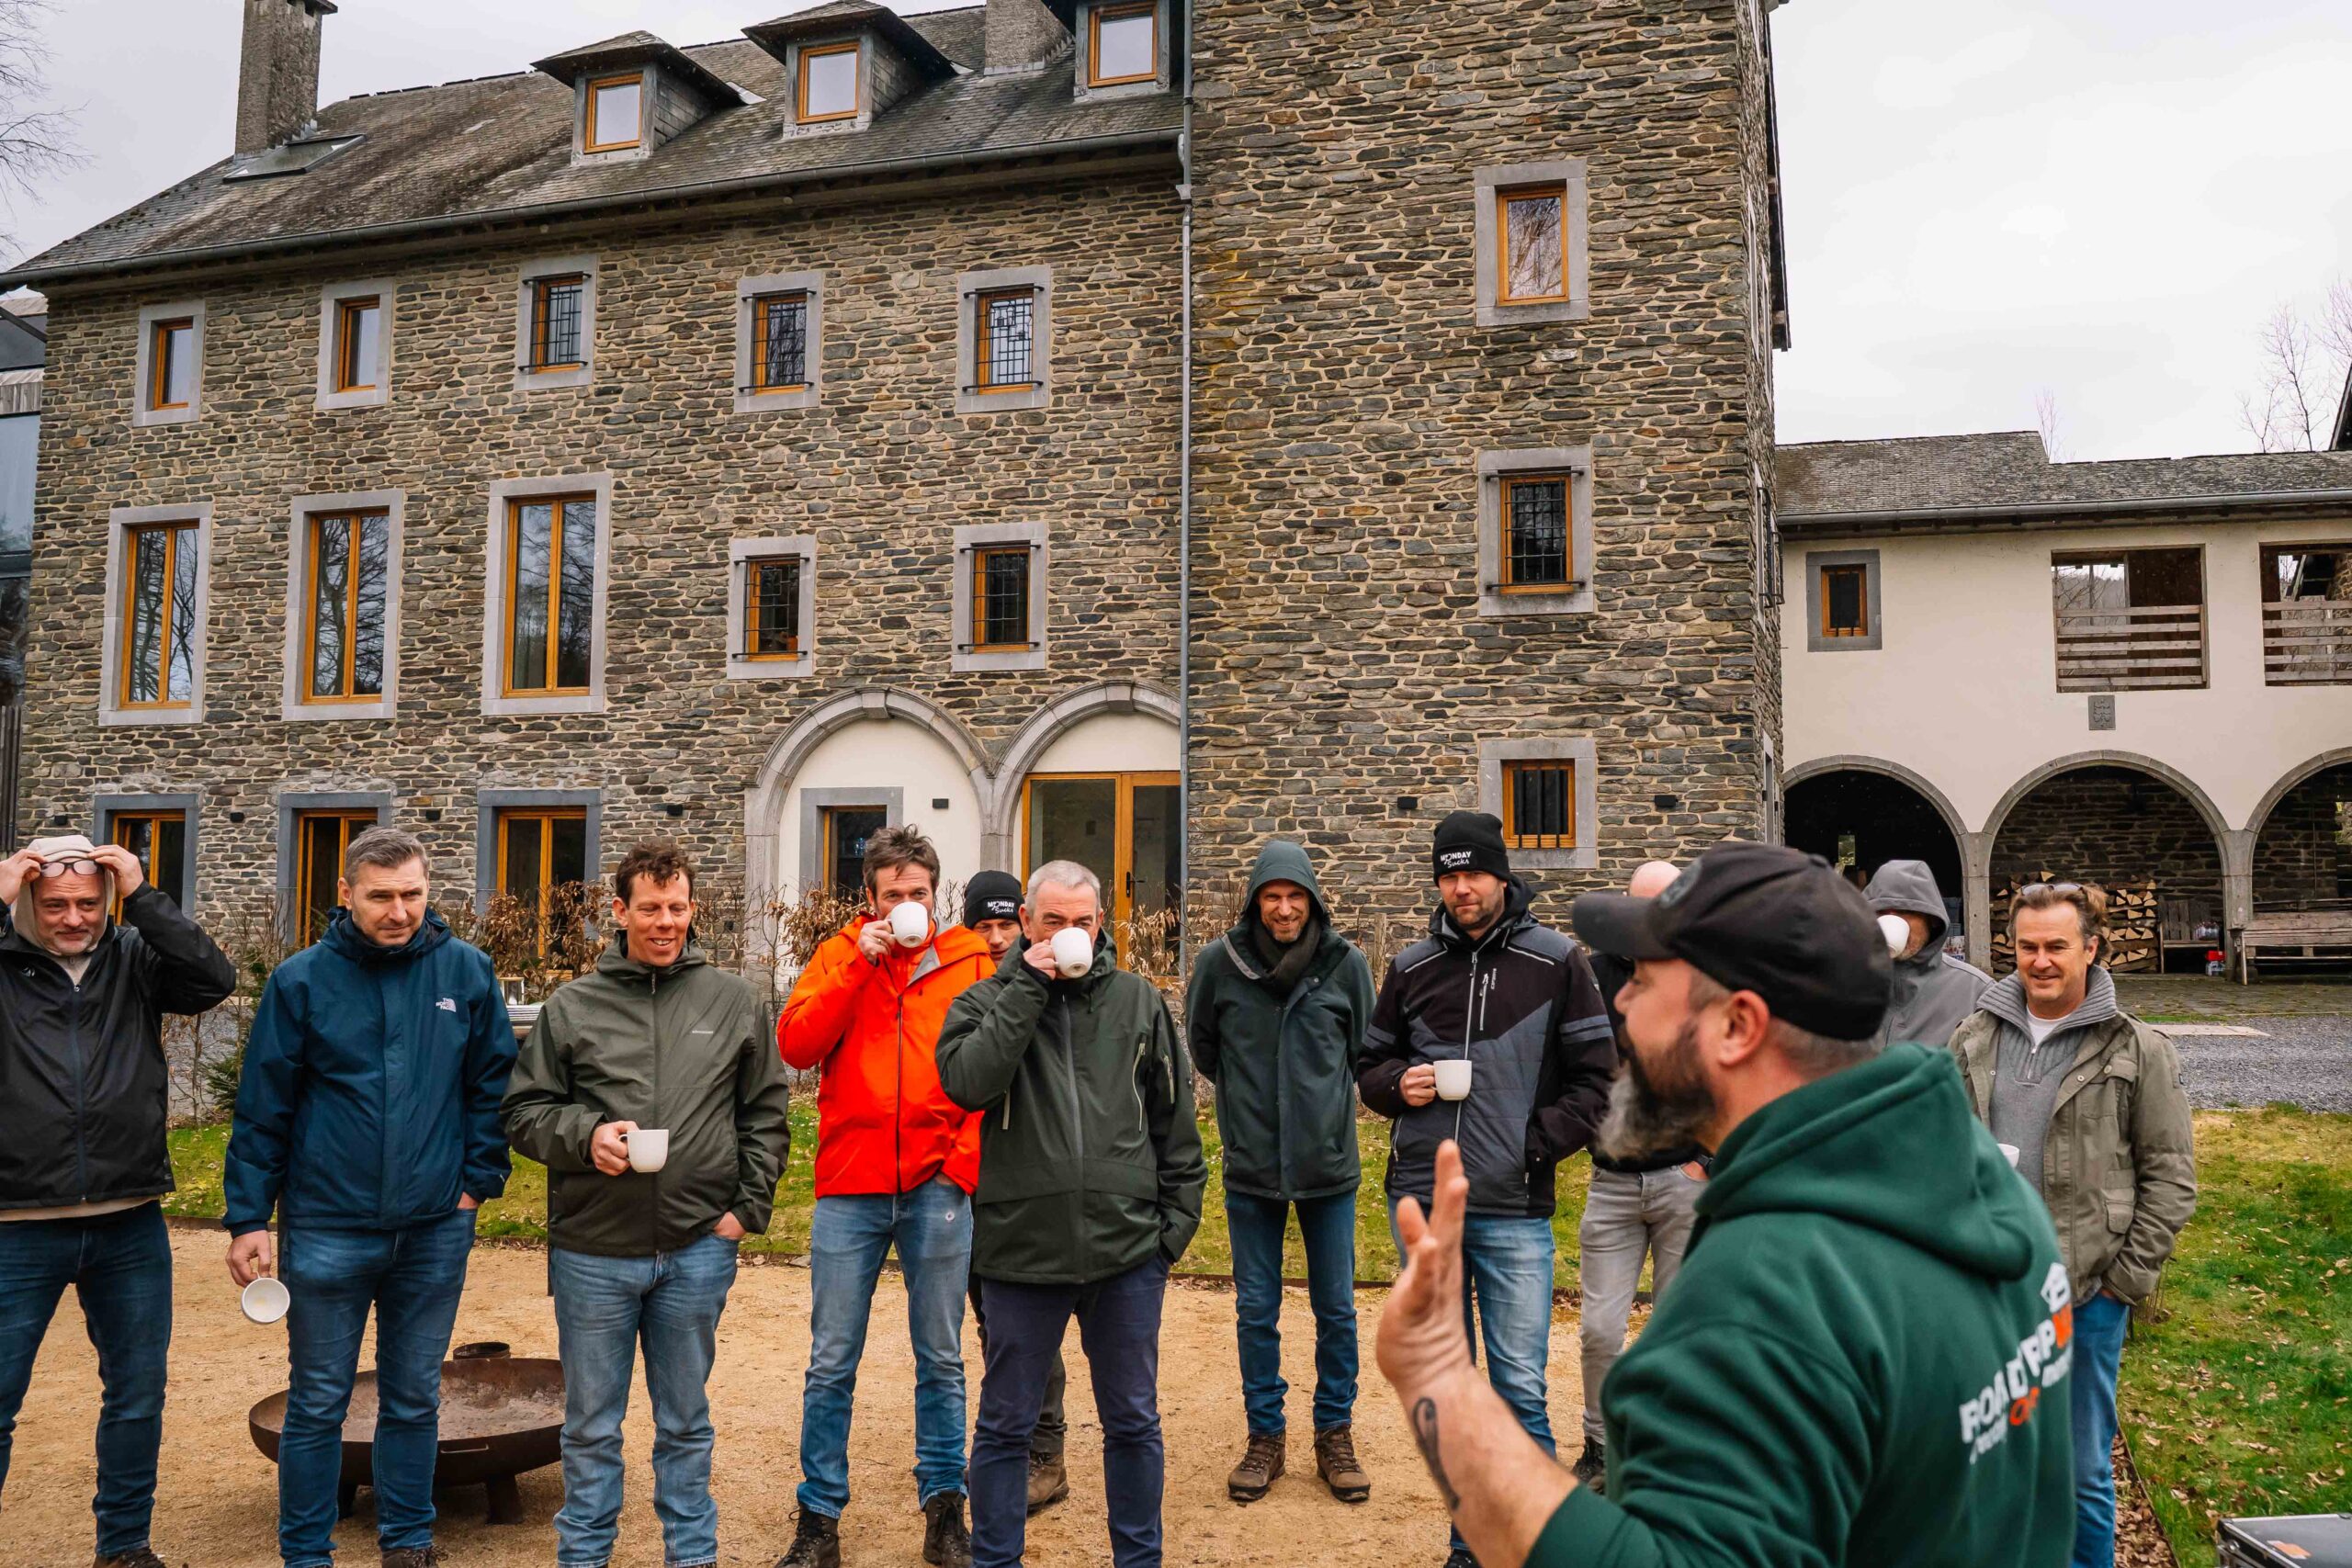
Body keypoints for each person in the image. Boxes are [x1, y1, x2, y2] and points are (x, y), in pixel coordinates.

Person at [1372, 841, 2080, 1568]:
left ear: (1737, 1025)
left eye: (1644, 979)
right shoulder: (1980, 1181)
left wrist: (1439, 1378)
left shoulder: (1766, 1300)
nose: (1621, 1003)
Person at [222, 827, 515, 1568]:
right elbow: (263, 1106)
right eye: (381, 895)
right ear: (346, 893)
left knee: (414, 1394)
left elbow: (492, 1086)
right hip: (327, 1225)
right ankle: (305, 1552)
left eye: (412, 893)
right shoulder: (300, 981)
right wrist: (249, 1214)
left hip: (435, 1225)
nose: (399, 910)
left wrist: (476, 1184)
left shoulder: (466, 971)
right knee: (319, 1399)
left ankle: (408, 1542)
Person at [503, 841, 793, 1568]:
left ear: (693, 910)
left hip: (697, 1247)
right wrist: (585, 1136)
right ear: (620, 910)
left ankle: (691, 1556)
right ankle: (584, 1557)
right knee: (591, 1427)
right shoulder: (573, 1005)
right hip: (593, 1251)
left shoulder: (733, 1001)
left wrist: (743, 1213)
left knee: (686, 1422)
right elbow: (524, 1111)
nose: (665, 921)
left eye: (677, 907)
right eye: (651, 907)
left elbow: (765, 1112)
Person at [1354, 811, 1615, 1568]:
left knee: (1520, 1392)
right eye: (1449, 874)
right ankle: (1469, 1549)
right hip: (1425, 1206)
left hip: (1513, 1209)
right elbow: (1369, 1067)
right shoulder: (1410, 966)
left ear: (1502, 875)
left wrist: (1532, 1147)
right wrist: (1396, 1084)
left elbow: (1598, 1080)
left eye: (1473, 872)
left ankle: (1537, 1548)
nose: (1461, 887)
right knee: (1447, 1391)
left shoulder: (1557, 961)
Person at [937, 861, 1206, 1568]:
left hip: (1128, 1254)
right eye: (1052, 921)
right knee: (1005, 1425)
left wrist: (1169, 1237)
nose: (1067, 934)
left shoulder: (1137, 1001)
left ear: (1100, 924)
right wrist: (1027, 985)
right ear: (1026, 923)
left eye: (1081, 921)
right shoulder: (981, 1001)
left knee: (1134, 1422)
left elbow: (1176, 1125)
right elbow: (968, 1082)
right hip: (1021, 1253)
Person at [0, 835, 235, 1568]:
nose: (74, 918)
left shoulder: (132, 955)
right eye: (55, 905)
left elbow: (212, 978)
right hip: (15, 1222)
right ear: (27, 902)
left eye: (89, 903)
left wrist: (143, 894)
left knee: (136, 1394)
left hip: (128, 1219)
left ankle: (125, 1545)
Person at [1950, 881, 2196, 1568]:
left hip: (2086, 1295)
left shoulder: (2138, 1049)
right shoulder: (1972, 1038)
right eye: (2027, 946)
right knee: (1989, 1460)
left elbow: (2171, 1179)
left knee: (2080, 1467)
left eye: (2056, 945)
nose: (2040, 960)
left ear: (2091, 948)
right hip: (1989, 1294)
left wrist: (2122, 1285)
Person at [775, 827, 996, 1568]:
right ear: (870, 899)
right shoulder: (840, 953)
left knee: (941, 1356)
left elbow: (992, 1067)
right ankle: (819, 1519)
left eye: (920, 893)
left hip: (938, 1181)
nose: (909, 904)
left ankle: (945, 1511)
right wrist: (857, 966)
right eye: (894, 894)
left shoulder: (967, 958)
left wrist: (961, 1163)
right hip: (851, 1183)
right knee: (831, 1360)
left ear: (936, 893)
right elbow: (796, 1045)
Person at [1186, 840, 1375, 1505]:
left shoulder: (1345, 965)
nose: (1285, 908)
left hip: (1328, 1165)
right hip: (1252, 1163)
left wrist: (1318, 1107)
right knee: (1255, 1309)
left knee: (1337, 1308)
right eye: (1273, 896)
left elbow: (1364, 1049)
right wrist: (1249, 1104)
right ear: (1255, 901)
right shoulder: (1220, 964)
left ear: (1313, 901)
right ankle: (1265, 1435)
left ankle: (1334, 1433)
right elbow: (1204, 1046)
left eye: (1296, 896)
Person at [1571, 859, 1706, 1498]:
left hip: (1687, 1179)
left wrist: (1707, 1160)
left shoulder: (1705, 973)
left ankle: (1670, 1448)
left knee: (1679, 1327)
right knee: (1600, 1329)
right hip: (1614, 1181)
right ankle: (1600, 1445)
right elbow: (1568, 1063)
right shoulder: (1590, 975)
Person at [956, 867, 1077, 1516]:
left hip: (1028, 1180)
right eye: (985, 925)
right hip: (964, 1178)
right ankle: (1006, 1442)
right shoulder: (957, 986)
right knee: (993, 1323)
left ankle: (1044, 1452)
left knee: (1035, 1321)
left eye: (1007, 924)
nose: (998, 937)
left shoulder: (1052, 984)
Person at [1865, 859, 1991, 1051]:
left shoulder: (1975, 992)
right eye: (1880, 912)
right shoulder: (1838, 982)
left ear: (1932, 919)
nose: (1891, 921)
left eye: (1905, 911)